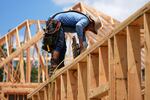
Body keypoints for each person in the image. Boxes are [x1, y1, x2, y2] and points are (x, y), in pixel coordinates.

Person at [42, 10, 101, 76]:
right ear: (92, 24)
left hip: (57, 23)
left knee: (64, 48)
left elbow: (83, 40)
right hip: (55, 22)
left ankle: (60, 67)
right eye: (92, 29)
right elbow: (78, 26)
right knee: (59, 45)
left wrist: (83, 48)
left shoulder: (84, 26)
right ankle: (53, 68)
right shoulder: (85, 20)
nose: (90, 30)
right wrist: (81, 44)